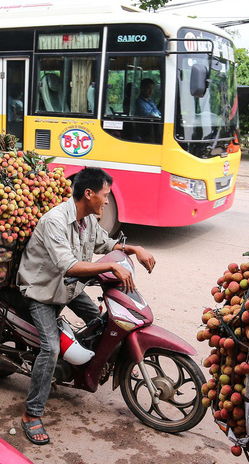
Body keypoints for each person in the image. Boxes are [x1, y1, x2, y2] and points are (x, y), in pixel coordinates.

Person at [15, 167, 156, 445]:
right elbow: (67, 265)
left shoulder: (87, 219)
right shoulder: (55, 221)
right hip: (42, 291)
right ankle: (31, 414)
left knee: (103, 320)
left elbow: (106, 244)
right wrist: (110, 267)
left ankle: (91, 366)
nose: (107, 200)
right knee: (50, 348)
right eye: (105, 195)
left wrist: (134, 249)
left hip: (69, 288)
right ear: (88, 193)